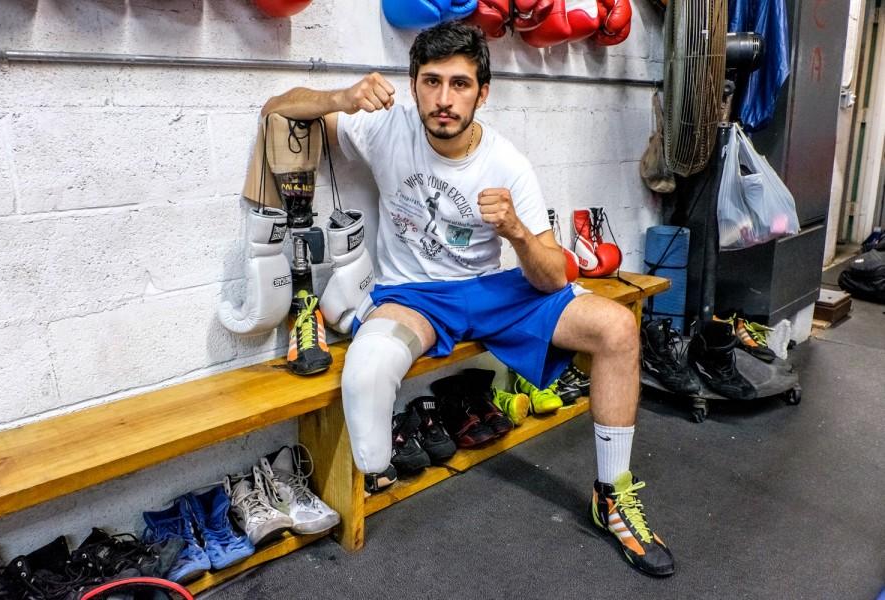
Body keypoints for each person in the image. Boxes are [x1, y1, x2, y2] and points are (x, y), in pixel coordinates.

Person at [261, 21, 674, 577]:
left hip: (495, 293)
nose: (444, 99)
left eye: (460, 84)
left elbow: (555, 275)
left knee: (618, 328)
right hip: (415, 297)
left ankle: (612, 496)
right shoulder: (386, 127)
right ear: (413, 85)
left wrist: (519, 235)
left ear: (483, 92)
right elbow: (280, 108)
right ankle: (375, 466)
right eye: (431, 82)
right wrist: (341, 97)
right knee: (367, 368)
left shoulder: (508, 164)